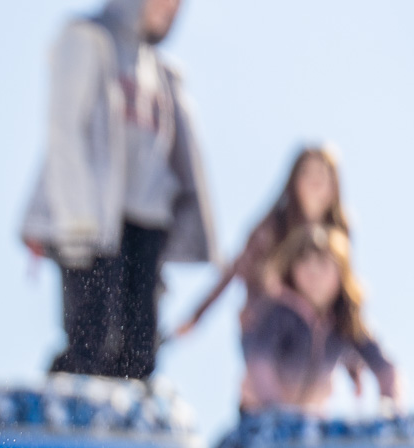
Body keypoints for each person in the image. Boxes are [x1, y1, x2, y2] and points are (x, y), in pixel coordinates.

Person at [21, 0, 217, 383]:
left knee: (139, 346)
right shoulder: (88, 39)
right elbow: (64, 129)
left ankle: (127, 424)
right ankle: (68, 408)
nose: (167, 10)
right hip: (92, 219)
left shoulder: (163, 73)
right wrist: (74, 218)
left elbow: (180, 157)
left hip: (148, 222)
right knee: (93, 335)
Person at [175, 146, 349, 341]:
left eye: (322, 174)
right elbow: (235, 269)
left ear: (334, 185)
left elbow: (346, 292)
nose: (315, 181)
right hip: (267, 328)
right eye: (307, 172)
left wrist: (354, 358)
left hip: (318, 335)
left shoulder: (339, 233)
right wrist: (197, 316)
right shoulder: (273, 227)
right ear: (294, 181)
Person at [237, 226, 396, 415]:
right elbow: (260, 364)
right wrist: (274, 410)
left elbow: (386, 370)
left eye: (323, 264)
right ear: (291, 269)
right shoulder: (277, 312)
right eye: (304, 262)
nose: (314, 273)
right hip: (261, 420)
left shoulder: (345, 320)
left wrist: (391, 409)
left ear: (341, 271)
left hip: (310, 426)